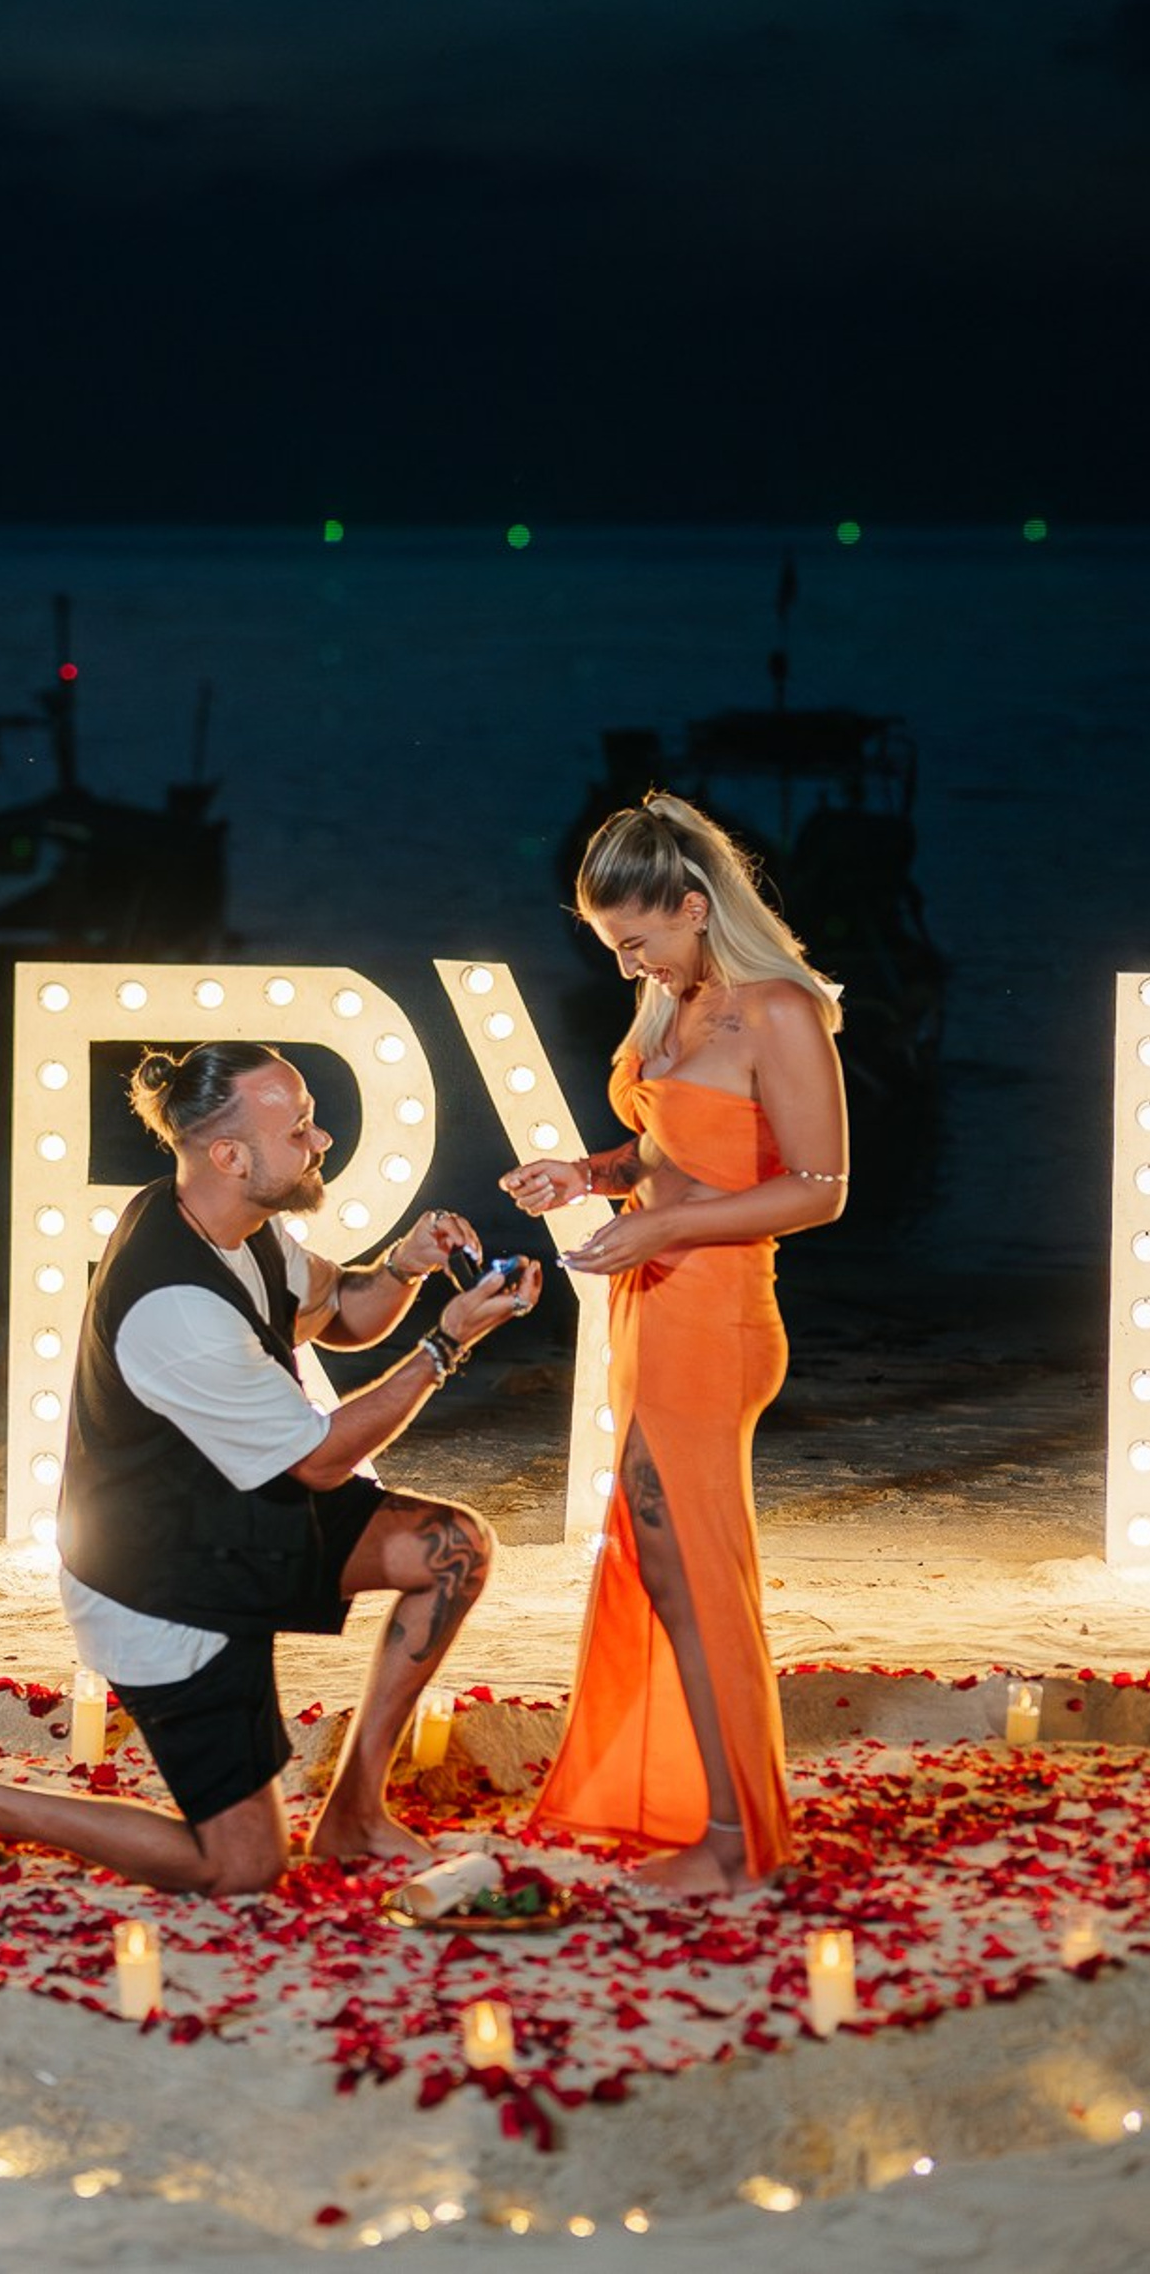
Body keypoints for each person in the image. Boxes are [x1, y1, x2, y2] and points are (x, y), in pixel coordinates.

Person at [0, 1041, 538, 1894]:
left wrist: (406, 1264)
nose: (322, 1141)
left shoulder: (239, 1224)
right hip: (158, 1582)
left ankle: (354, 1818)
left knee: (452, 1549)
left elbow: (340, 1313)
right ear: (231, 1157)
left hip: (238, 1515)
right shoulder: (175, 1306)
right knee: (241, 1867)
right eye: (301, 1129)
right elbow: (320, 1462)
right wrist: (447, 1344)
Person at [501, 792, 846, 1894]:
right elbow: (663, 1150)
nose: (627, 965)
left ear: (695, 908)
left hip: (717, 1314)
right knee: (660, 1557)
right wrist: (587, 1175)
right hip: (650, 1303)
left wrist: (661, 1227)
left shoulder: (777, 1010)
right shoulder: (672, 1001)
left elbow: (819, 1188)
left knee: (694, 1568)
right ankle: (713, 1814)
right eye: (613, 946)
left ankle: (738, 1840)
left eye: (636, 940)